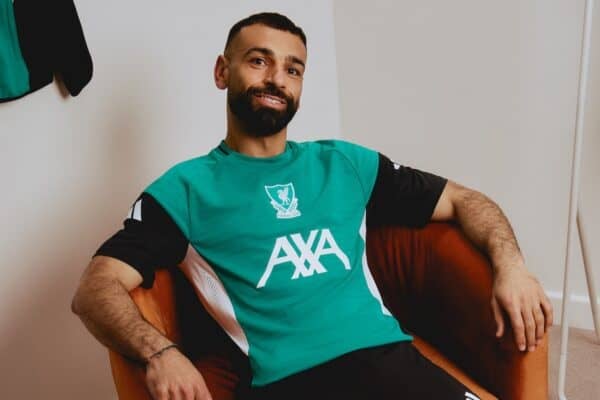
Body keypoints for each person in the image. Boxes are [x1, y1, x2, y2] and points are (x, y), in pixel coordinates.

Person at [71, 12, 553, 400]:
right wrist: (159, 352)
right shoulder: (184, 190)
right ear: (222, 71)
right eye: (258, 61)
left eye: (292, 69)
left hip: (390, 362)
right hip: (288, 383)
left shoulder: (345, 164)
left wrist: (511, 266)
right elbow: (95, 288)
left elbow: (466, 200)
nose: (276, 79)